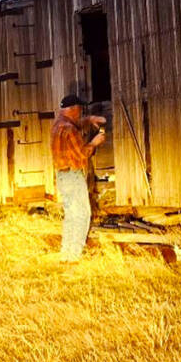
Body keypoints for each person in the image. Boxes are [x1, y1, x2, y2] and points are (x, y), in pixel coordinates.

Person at [50, 94, 107, 263]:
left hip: (61, 176)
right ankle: (74, 257)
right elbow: (82, 153)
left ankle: (65, 255)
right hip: (73, 176)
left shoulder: (58, 124)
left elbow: (74, 125)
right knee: (82, 214)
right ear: (73, 109)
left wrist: (89, 120)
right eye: (80, 109)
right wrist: (95, 143)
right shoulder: (70, 129)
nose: (80, 112)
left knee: (71, 215)